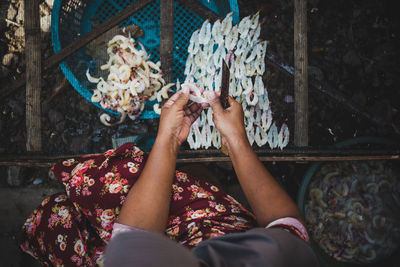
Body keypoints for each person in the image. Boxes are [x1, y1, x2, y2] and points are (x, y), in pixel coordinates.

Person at [20, 86, 319, 266]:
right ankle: (200, 180)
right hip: (211, 222)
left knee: (62, 215)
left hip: (127, 249)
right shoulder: (273, 260)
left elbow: (133, 238)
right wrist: (237, 142)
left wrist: (168, 141)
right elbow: (287, 228)